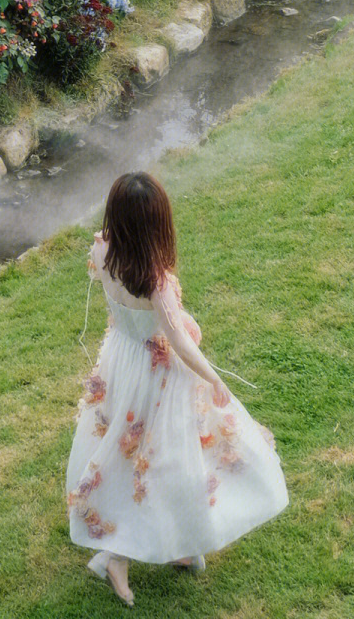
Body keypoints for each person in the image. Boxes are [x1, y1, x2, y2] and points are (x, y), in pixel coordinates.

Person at [65, 172, 288, 607]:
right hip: (158, 375)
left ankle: (178, 546)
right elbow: (179, 342)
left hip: (122, 360)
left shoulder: (103, 249)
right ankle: (116, 555)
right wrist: (215, 379)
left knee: (130, 454)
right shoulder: (155, 281)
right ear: (155, 225)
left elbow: (118, 301)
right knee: (164, 459)